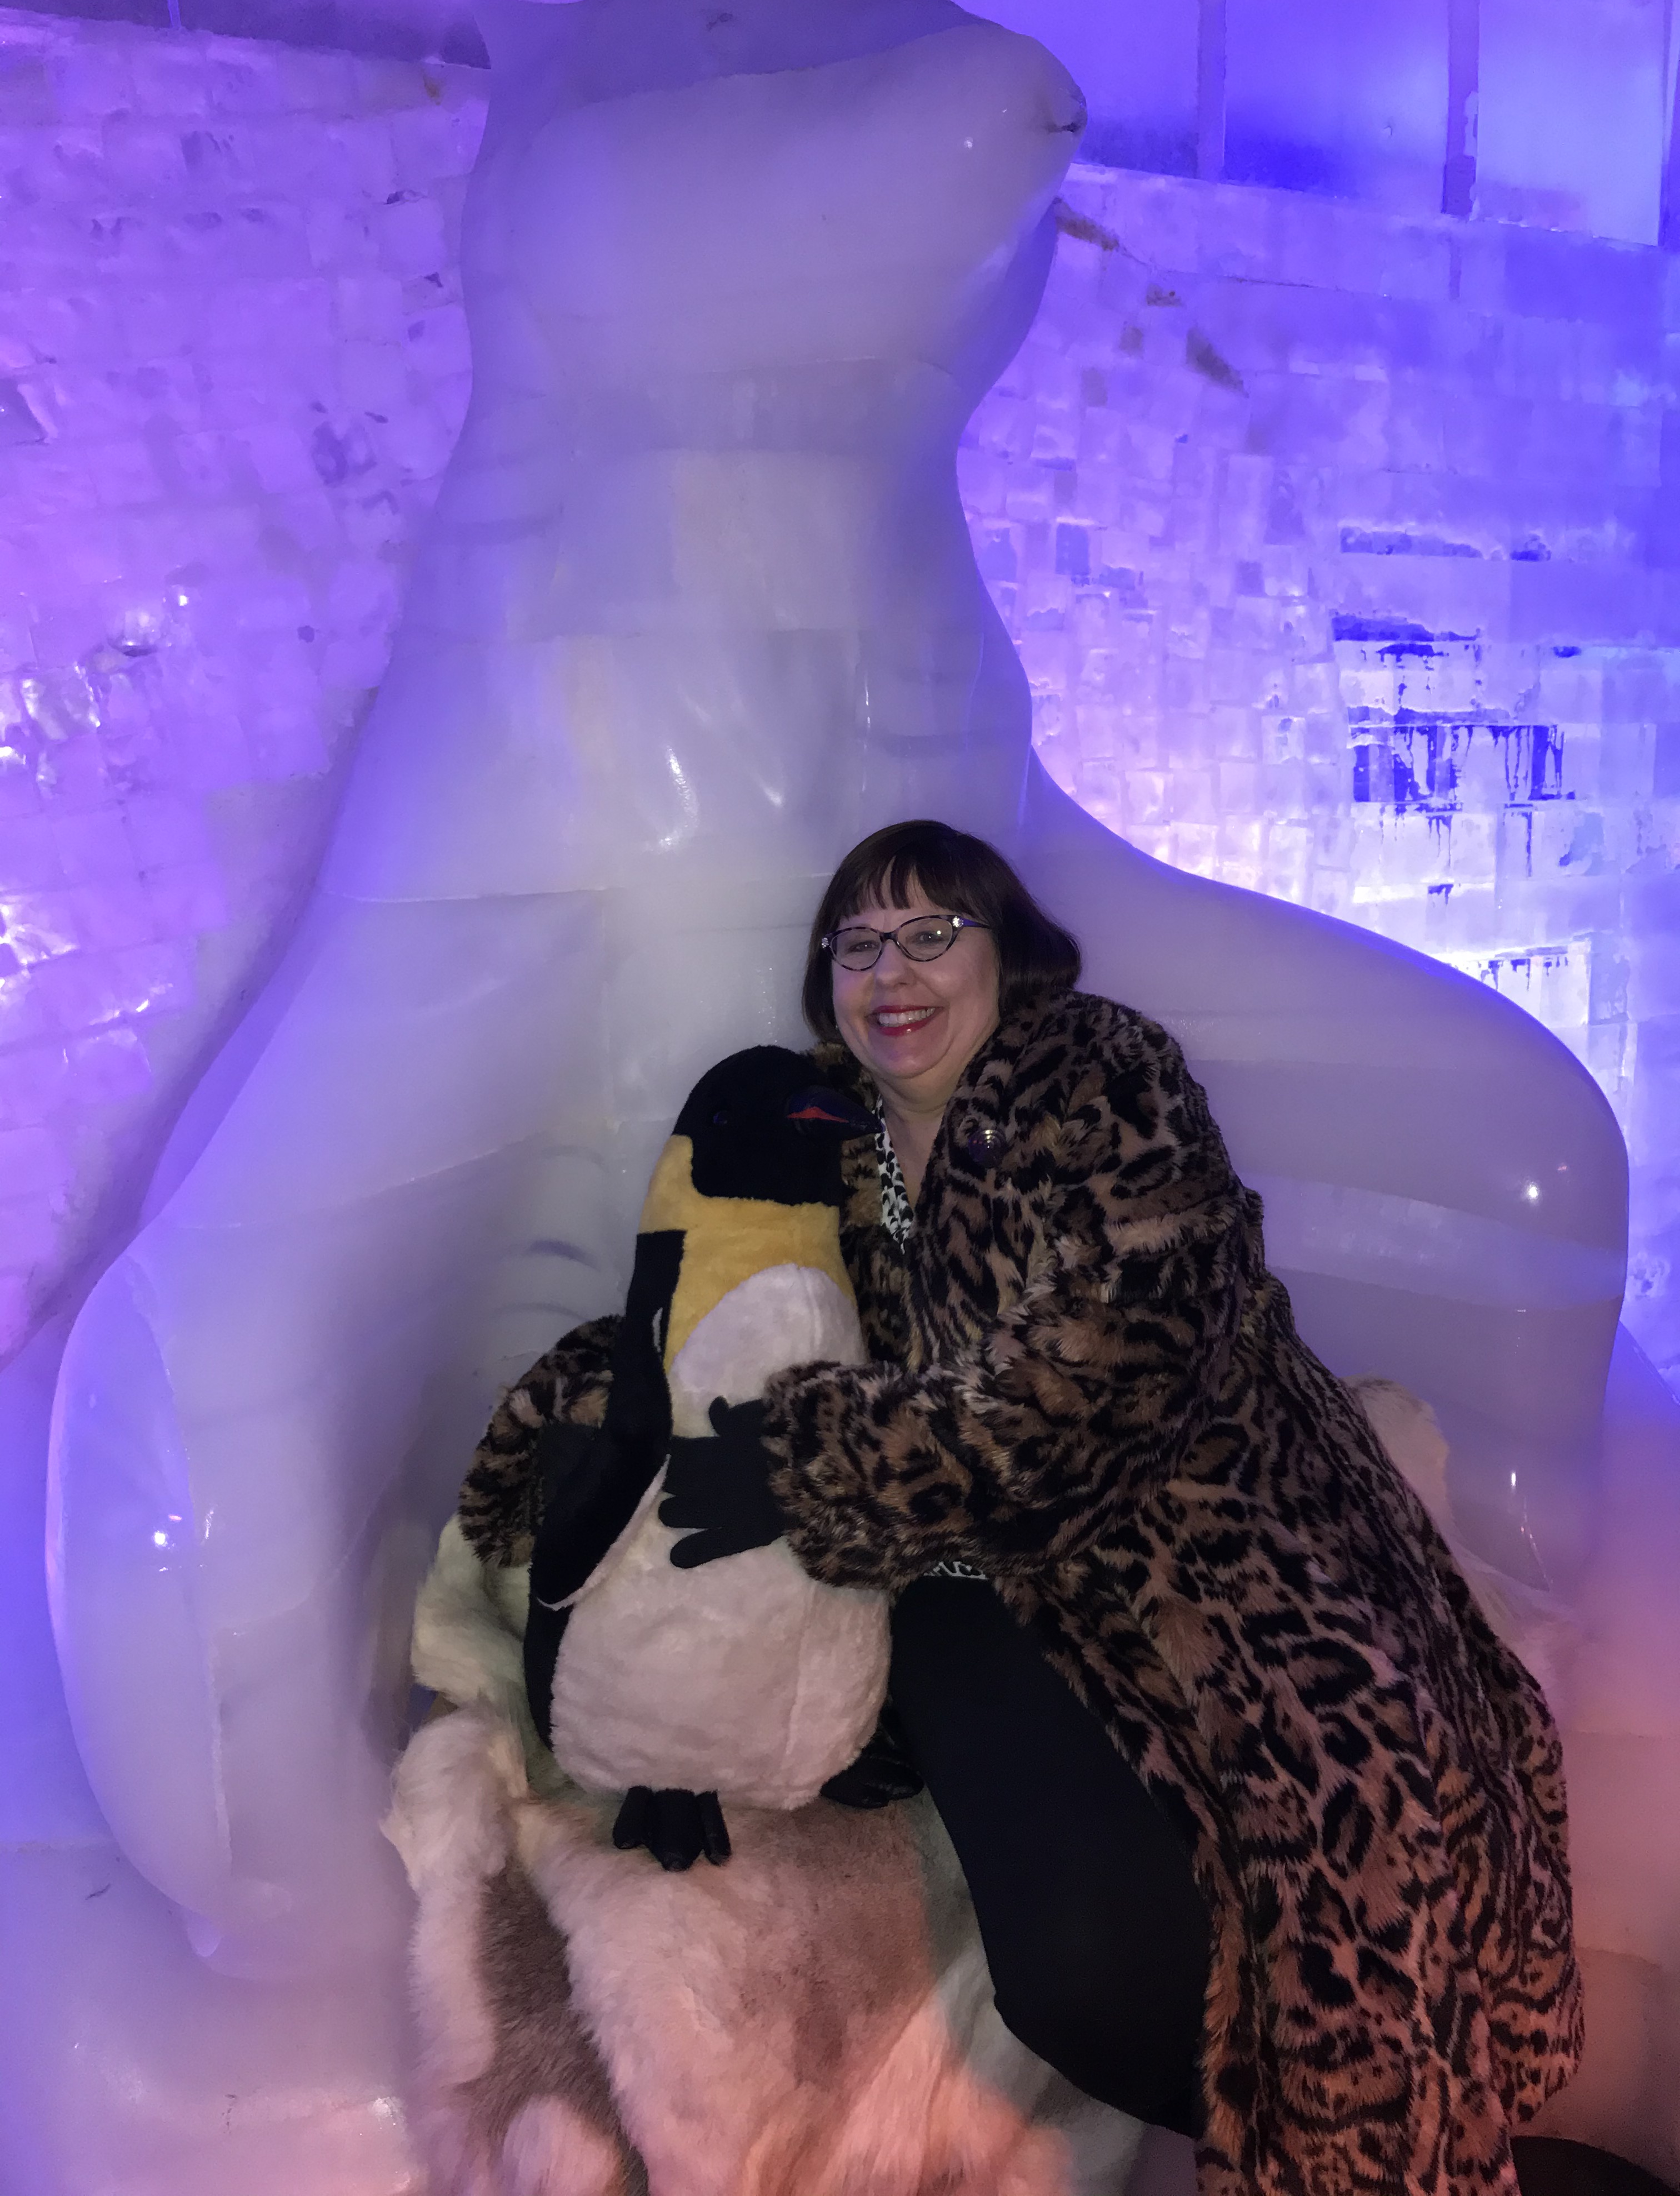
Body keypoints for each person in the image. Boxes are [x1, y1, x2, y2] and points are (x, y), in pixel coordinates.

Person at [458, 818, 1581, 2196]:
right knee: (1083, 1979)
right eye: (860, 943)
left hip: (1214, 1533)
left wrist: (808, 1465)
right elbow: (712, 1294)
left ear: (1009, 954)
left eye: (935, 933)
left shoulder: (1102, 1074)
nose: (895, 971)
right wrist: (593, 1415)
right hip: (964, 1568)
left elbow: (1113, 1367)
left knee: (1346, 1866)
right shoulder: (826, 1136)